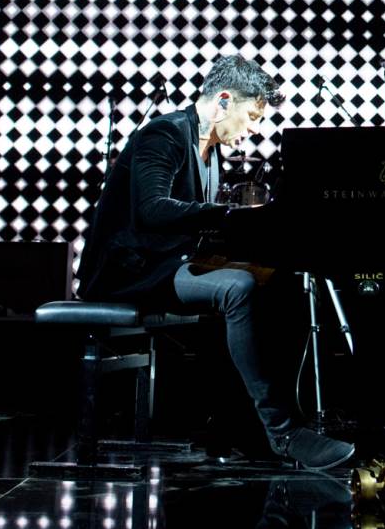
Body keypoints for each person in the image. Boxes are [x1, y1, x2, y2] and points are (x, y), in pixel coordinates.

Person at [78, 53, 355, 470]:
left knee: (275, 280)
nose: (254, 129)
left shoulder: (209, 150)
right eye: (252, 117)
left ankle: (241, 426)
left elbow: (194, 228)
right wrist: (230, 215)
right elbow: (152, 210)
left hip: (167, 264)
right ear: (224, 100)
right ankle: (281, 433)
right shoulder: (165, 133)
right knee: (237, 288)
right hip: (129, 271)